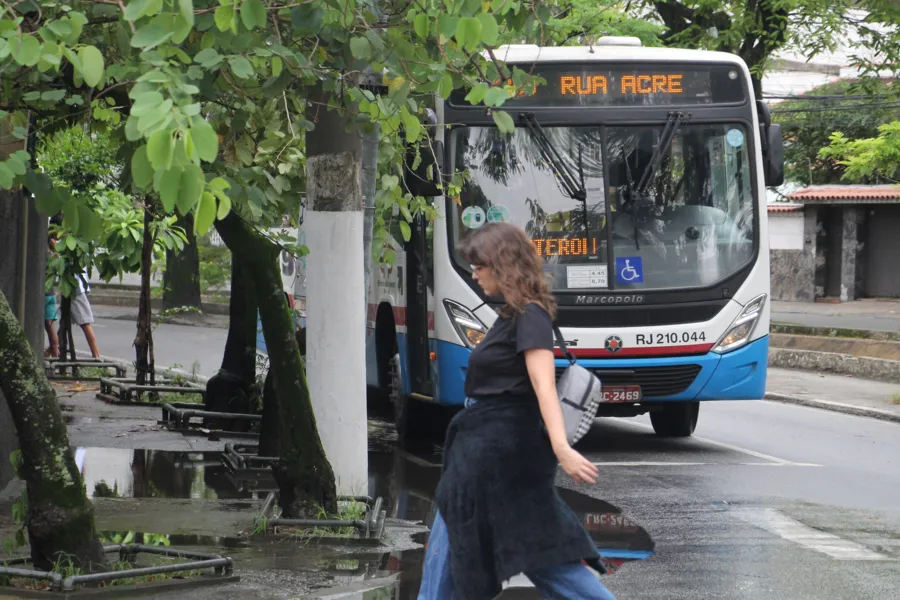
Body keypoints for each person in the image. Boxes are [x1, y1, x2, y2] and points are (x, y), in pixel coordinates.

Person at [418, 222, 616, 600]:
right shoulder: (512, 314)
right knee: (489, 539)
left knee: (531, 546)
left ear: (503, 264)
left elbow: (543, 388)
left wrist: (562, 449)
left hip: (500, 453)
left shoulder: (530, 316)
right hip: (486, 447)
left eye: (480, 266)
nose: (474, 274)